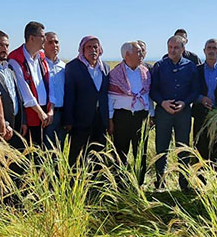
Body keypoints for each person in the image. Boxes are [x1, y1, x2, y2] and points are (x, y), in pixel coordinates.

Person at [150, 35, 199, 189]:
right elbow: (152, 90)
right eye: (170, 47)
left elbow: (195, 90)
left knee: (183, 148)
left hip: (183, 113)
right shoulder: (159, 66)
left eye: (176, 47)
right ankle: (160, 182)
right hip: (163, 113)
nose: (172, 50)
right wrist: (162, 103)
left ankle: (183, 184)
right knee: (161, 148)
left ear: (183, 50)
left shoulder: (191, 67)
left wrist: (185, 103)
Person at [108, 41, 152, 183]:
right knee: (120, 151)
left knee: (141, 152)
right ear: (127, 54)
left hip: (141, 116)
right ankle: (119, 183)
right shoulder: (115, 74)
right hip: (122, 117)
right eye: (138, 52)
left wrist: (151, 114)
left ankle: (139, 183)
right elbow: (110, 98)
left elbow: (147, 95)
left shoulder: (145, 72)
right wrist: (110, 120)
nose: (142, 55)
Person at [62, 36, 110, 165]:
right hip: (80, 120)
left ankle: (96, 182)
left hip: (100, 119)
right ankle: (74, 182)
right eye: (88, 47)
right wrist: (68, 120)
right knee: (77, 155)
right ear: (82, 49)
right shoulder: (73, 67)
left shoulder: (104, 67)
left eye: (95, 47)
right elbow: (69, 95)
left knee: (98, 154)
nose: (92, 50)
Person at [8, 21, 52, 146]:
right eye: (42, 36)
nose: (45, 39)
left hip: (45, 114)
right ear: (32, 38)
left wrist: (50, 110)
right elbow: (24, 91)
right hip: (29, 116)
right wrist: (40, 112)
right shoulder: (16, 58)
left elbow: (49, 83)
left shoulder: (41, 57)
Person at [0, 30, 26, 149]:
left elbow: (17, 96)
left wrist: (23, 121)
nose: (4, 48)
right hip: (0, 128)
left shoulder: (9, 68)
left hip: (16, 125)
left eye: (7, 45)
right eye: (0, 45)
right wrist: (2, 124)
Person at [192, 39, 217, 161]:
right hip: (200, 115)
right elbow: (191, 91)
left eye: (214, 48)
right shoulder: (196, 70)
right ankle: (200, 179)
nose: (211, 51)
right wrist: (201, 98)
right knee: (200, 150)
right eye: (209, 48)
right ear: (204, 51)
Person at [43, 32, 67, 148]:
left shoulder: (64, 66)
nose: (54, 45)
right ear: (43, 45)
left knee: (60, 148)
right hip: (47, 114)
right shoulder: (40, 65)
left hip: (63, 113)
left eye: (56, 42)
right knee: (46, 148)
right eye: (50, 42)